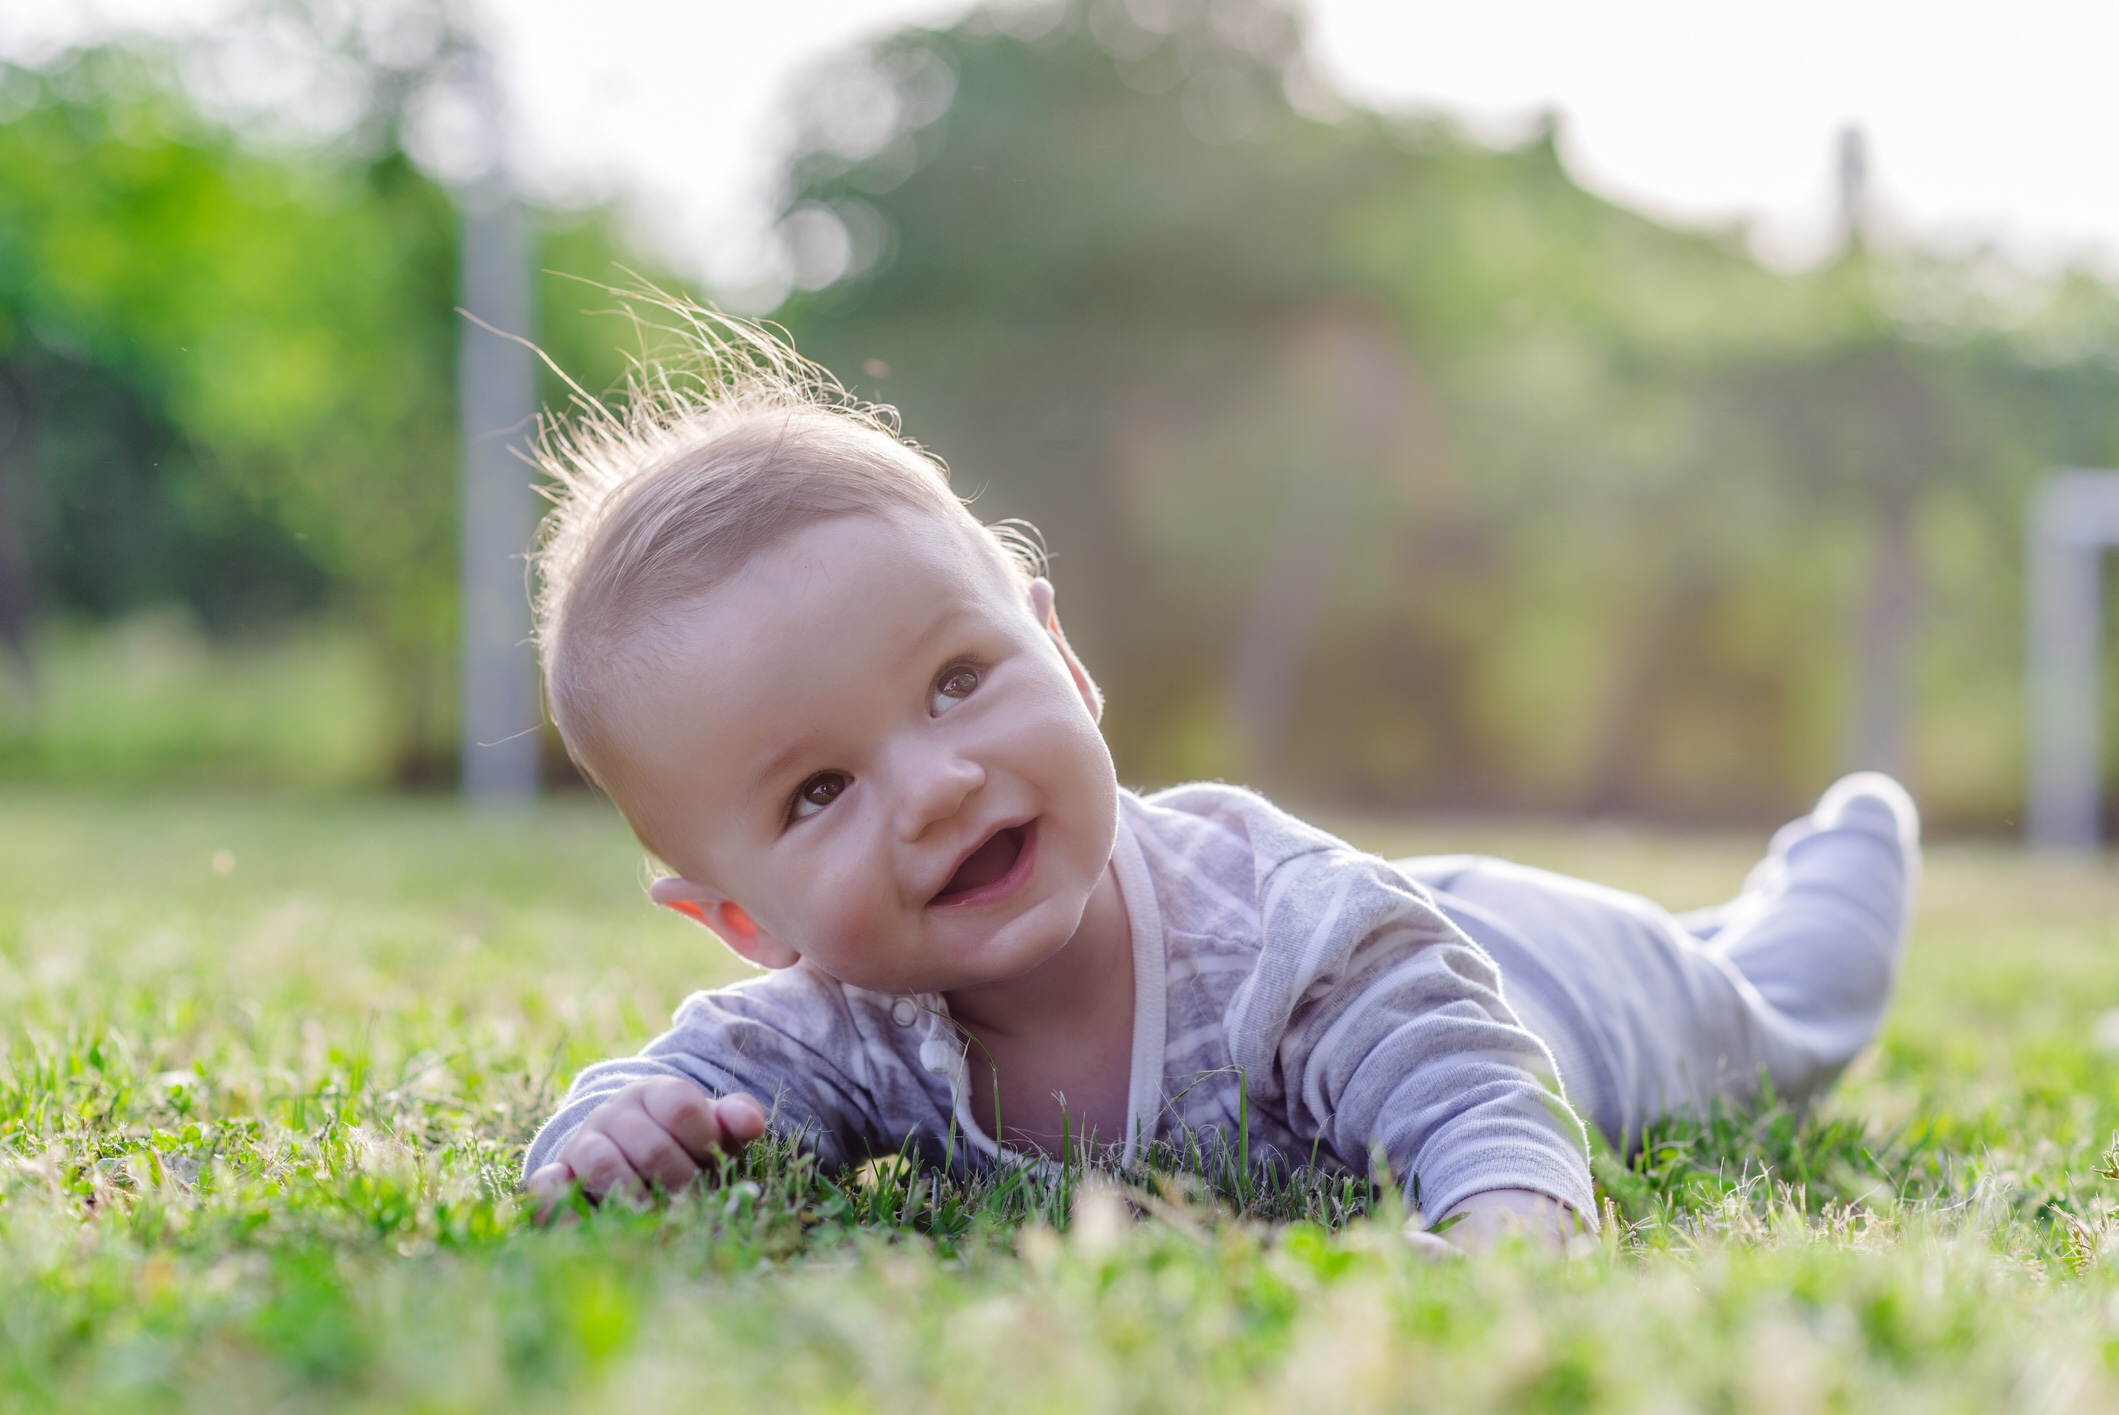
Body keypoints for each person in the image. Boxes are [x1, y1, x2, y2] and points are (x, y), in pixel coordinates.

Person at [519, 305, 1919, 1250]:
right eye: (818, 792)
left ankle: (1844, 861)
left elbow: (1483, 1110)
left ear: (1060, 659)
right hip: (1401, 920)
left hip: (1549, 977)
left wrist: (1501, 1243)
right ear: (745, 924)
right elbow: (672, 1086)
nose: (938, 787)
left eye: (958, 683)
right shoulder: (837, 1024)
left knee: (1779, 1005)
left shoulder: (1288, 941)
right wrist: (620, 1137)